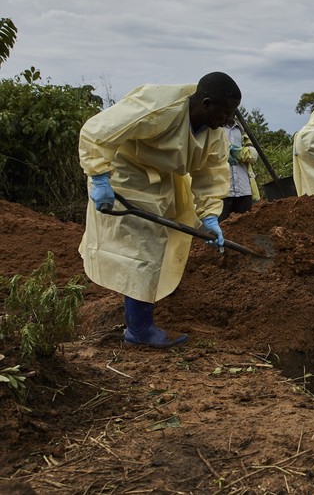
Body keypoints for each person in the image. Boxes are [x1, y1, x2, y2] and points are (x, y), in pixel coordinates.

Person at [79, 72, 241, 348]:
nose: (228, 120)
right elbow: (98, 132)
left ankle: (140, 316)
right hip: (126, 174)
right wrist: (100, 177)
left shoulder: (215, 135)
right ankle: (139, 330)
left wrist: (210, 214)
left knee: (161, 244)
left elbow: (211, 173)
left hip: (163, 182)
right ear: (206, 103)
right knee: (144, 248)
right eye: (225, 113)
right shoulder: (157, 106)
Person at [220, 115, 259, 221]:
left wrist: (235, 151)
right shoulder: (216, 127)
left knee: (244, 227)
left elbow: (253, 155)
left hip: (244, 189)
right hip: (222, 190)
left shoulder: (242, 129)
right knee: (222, 227)